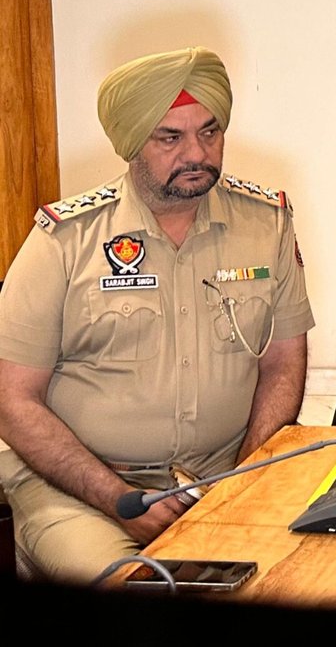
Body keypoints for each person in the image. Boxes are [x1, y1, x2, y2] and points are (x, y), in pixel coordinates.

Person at [0, 47, 313, 582]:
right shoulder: (65, 241)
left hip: (226, 473)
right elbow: (12, 400)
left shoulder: (268, 225)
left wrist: (243, 479)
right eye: (170, 138)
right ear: (131, 143)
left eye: (210, 132)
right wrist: (116, 495)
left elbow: (283, 364)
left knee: (316, 574)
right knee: (136, 588)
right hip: (81, 489)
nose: (197, 153)